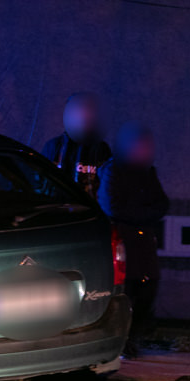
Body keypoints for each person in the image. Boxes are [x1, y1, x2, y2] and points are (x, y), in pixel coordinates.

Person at [97, 122, 169, 359]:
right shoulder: (113, 170)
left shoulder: (148, 172)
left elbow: (161, 204)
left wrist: (141, 214)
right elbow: (113, 206)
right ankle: (122, 340)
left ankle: (134, 336)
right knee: (124, 292)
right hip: (123, 242)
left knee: (147, 289)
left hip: (144, 243)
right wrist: (142, 214)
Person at [42, 92, 111, 198]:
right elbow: (41, 181)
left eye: (87, 111)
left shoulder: (101, 149)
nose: (82, 115)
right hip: (56, 210)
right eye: (77, 112)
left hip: (89, 212)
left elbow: (108, 187)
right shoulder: (53, 146)